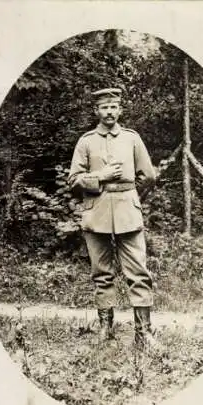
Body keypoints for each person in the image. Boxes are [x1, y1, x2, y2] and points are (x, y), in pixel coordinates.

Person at [68, 88, 157, 349]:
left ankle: (144, 332)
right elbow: (73, 181)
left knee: (138, 272)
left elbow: (148, 176)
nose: (109, 112)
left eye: (114, 107)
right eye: (104, 107)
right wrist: (101, 176)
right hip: (96, 213)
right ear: (96, 111)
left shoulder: (132, 139)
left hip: (128, 211)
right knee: (102, 273)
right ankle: (105, 329)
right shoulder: (86, 142)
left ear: (120, 110)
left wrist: (130, 195)